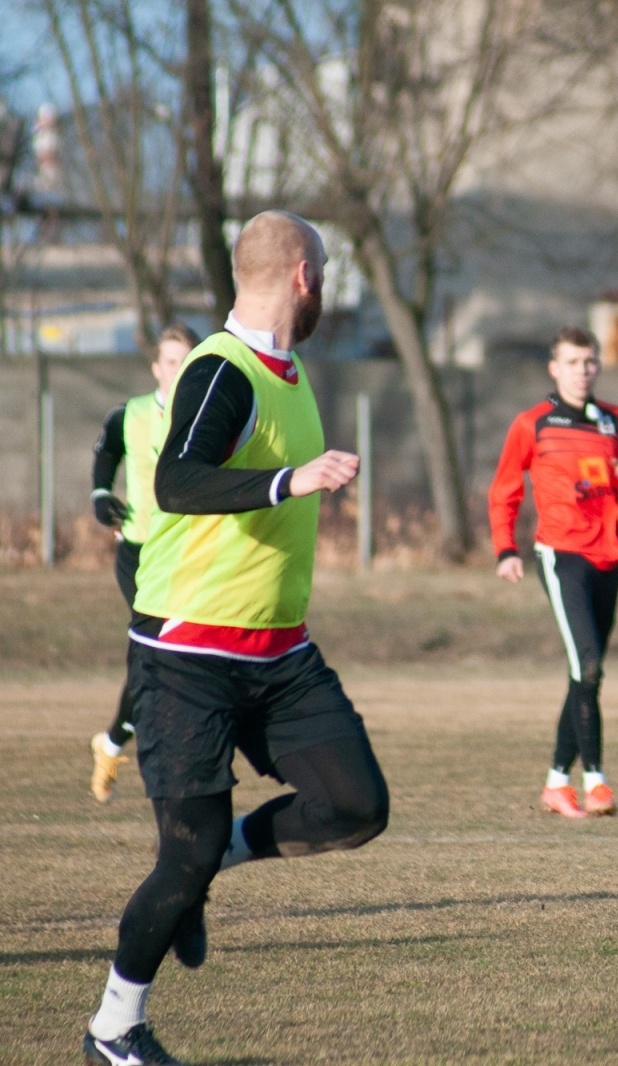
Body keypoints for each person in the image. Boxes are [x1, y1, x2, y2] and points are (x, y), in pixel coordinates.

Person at [83, 210, 389, 1066]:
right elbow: (178, 481)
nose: (326, 284)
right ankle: (114, 1029)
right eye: (324, 269)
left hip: (279, 653)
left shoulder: (289, 375)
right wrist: (295, 478)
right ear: (302, 276)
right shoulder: (224, 370)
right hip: (187, 657)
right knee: (181, 861)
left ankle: (220, 861)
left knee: (358, 806)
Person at [488, 327, 618, 818]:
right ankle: (596, 781)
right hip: (560, 554)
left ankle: (556, 783)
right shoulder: (533, 423)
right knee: (588, 666)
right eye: (573, 362)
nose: (584, 370)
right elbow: (504, 490)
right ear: (554, 368)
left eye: (590, 361)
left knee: (585, 675)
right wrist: (505, 549)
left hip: (609, 557)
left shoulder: (615, 420)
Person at [88, 322, 201, 803]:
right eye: (171, 361)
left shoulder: (205, 416)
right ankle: (141, 750)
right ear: (157, 367)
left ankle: (112, 742)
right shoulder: (130, 414)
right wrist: (100, 495)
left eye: (187, 362)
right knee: (156, 653)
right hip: (138, 553)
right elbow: (107, 450)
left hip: (191, 554)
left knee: (171, 657)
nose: (178, 370)